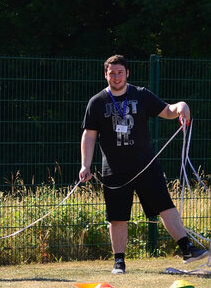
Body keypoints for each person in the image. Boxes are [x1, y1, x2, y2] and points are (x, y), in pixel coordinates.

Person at [79, 55, 209, 275]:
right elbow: (89, 135)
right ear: (105, 75)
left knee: (165, 207)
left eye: (120, 72)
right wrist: (85, 165)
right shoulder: (97, 102)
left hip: (146, 165)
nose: (116, 76)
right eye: (112, 73)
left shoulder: (141, 95)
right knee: (117, 216)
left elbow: (167, 111)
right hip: (114, 169)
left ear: (127, 73)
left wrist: (181, 106)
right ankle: (119, 262)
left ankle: (187, 249)